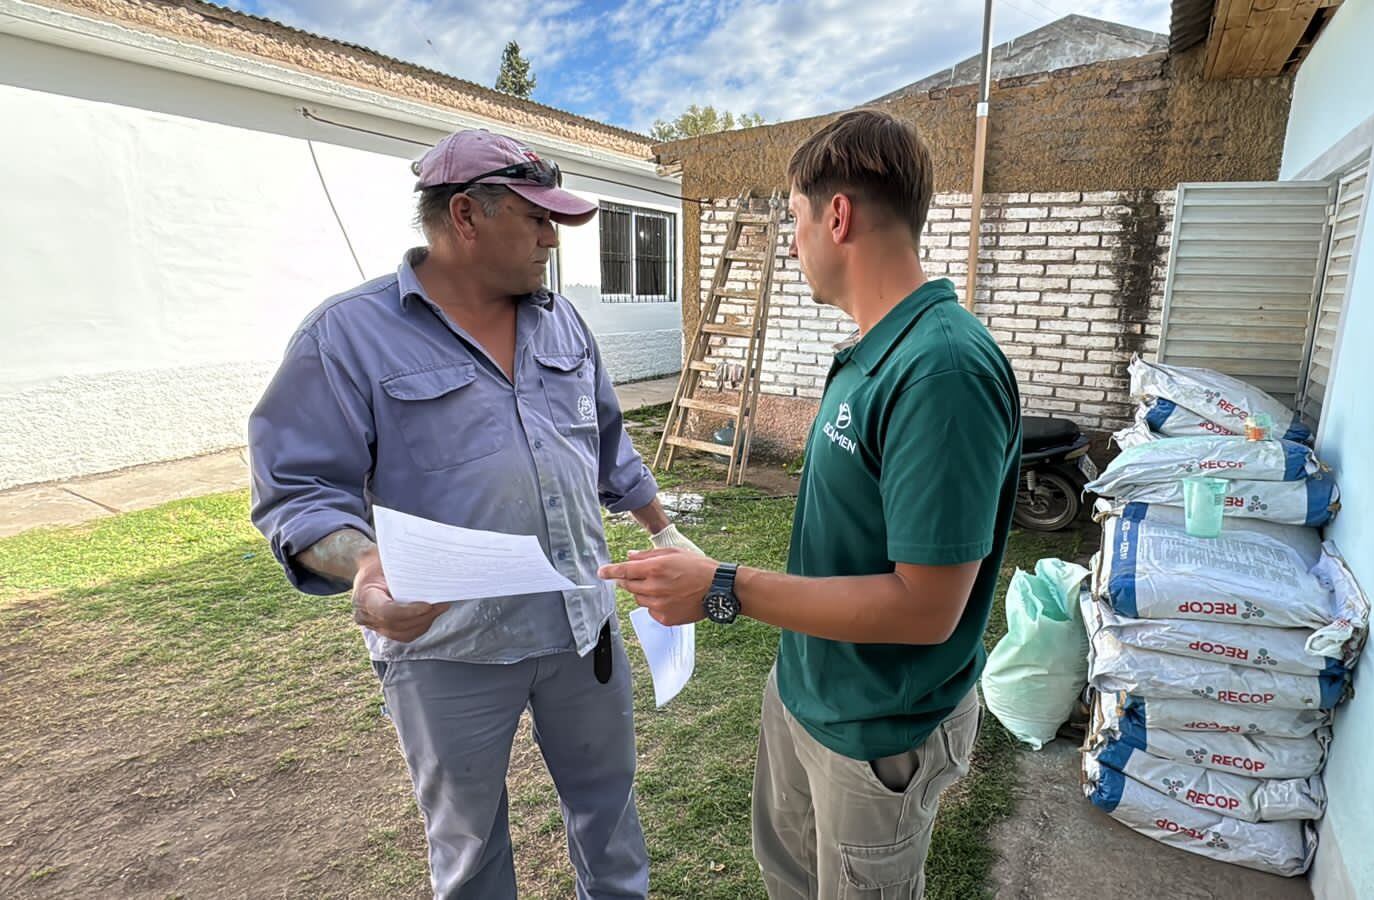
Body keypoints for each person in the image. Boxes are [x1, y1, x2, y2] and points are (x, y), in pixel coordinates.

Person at [249, 128, 699, 900]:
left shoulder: (561, 322)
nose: (552, 241)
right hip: (447, 648)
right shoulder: (345, 339)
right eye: (536, 220)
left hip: (577, 629)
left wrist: (660, 527)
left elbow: (607, 446)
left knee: (609, 815)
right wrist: (361, 567)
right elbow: (297, 493)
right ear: (465, 216)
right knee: (469, 850)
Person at [600, 109, 1021, 899]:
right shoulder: (870, 353)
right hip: (808, 689)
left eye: (794, 219)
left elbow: (926, 609)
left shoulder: (941, 371)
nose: (793, 242)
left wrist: (723, 587)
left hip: (876, 731)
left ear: (837, 214)